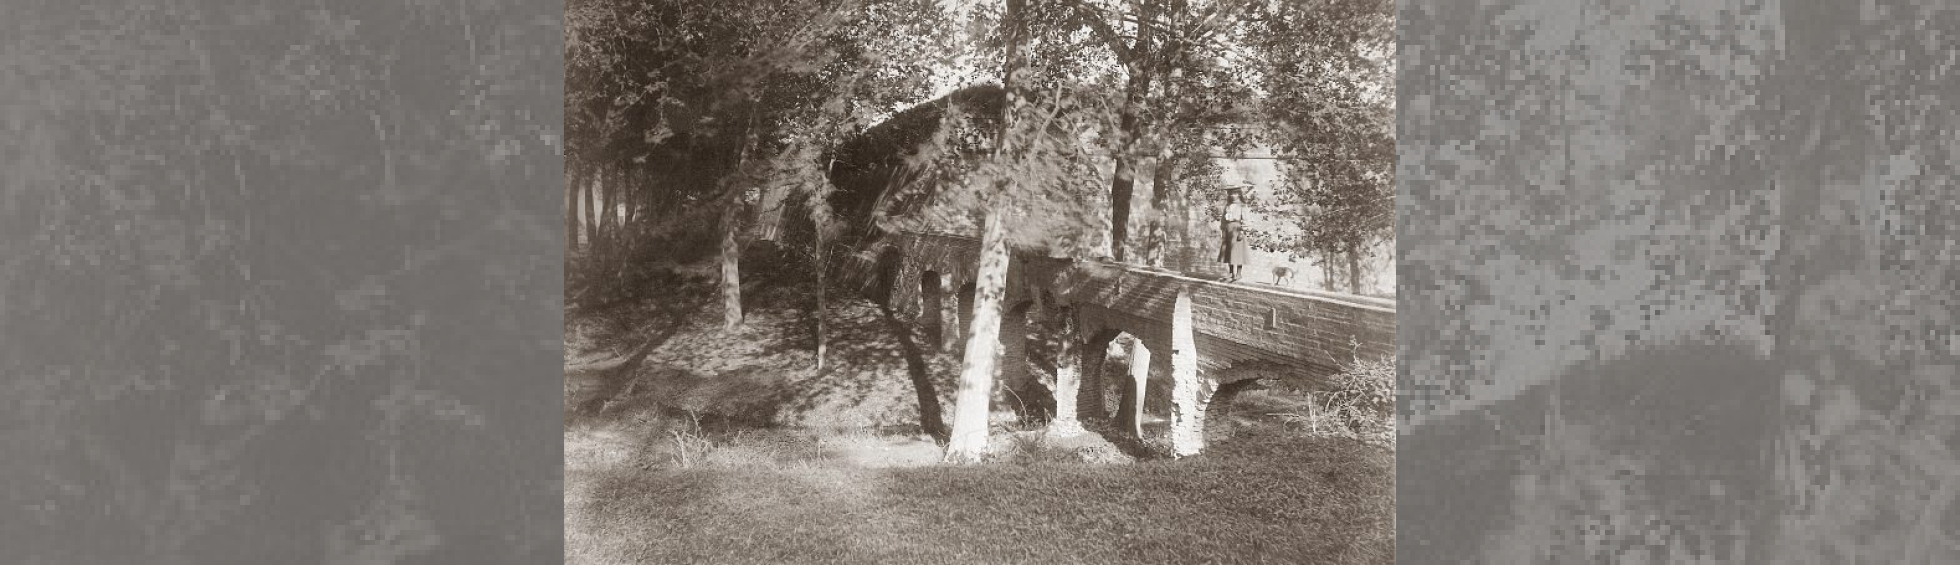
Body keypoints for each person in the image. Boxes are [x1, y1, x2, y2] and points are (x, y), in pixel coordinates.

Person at [1217, 187, 1251, 281]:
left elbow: (1246, 220)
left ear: (1239, 194)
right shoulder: (1228, 206)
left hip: (1237, 229)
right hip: (1228, 229)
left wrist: (1242, 231)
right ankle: (1231, 273)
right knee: (1229, 251)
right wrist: (1223, 230)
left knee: (1238, 251)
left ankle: (1239, 274)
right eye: (1231, 194)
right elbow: (1223, 220)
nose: (1233, 196)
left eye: (1235, 194)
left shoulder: (1242, 206)